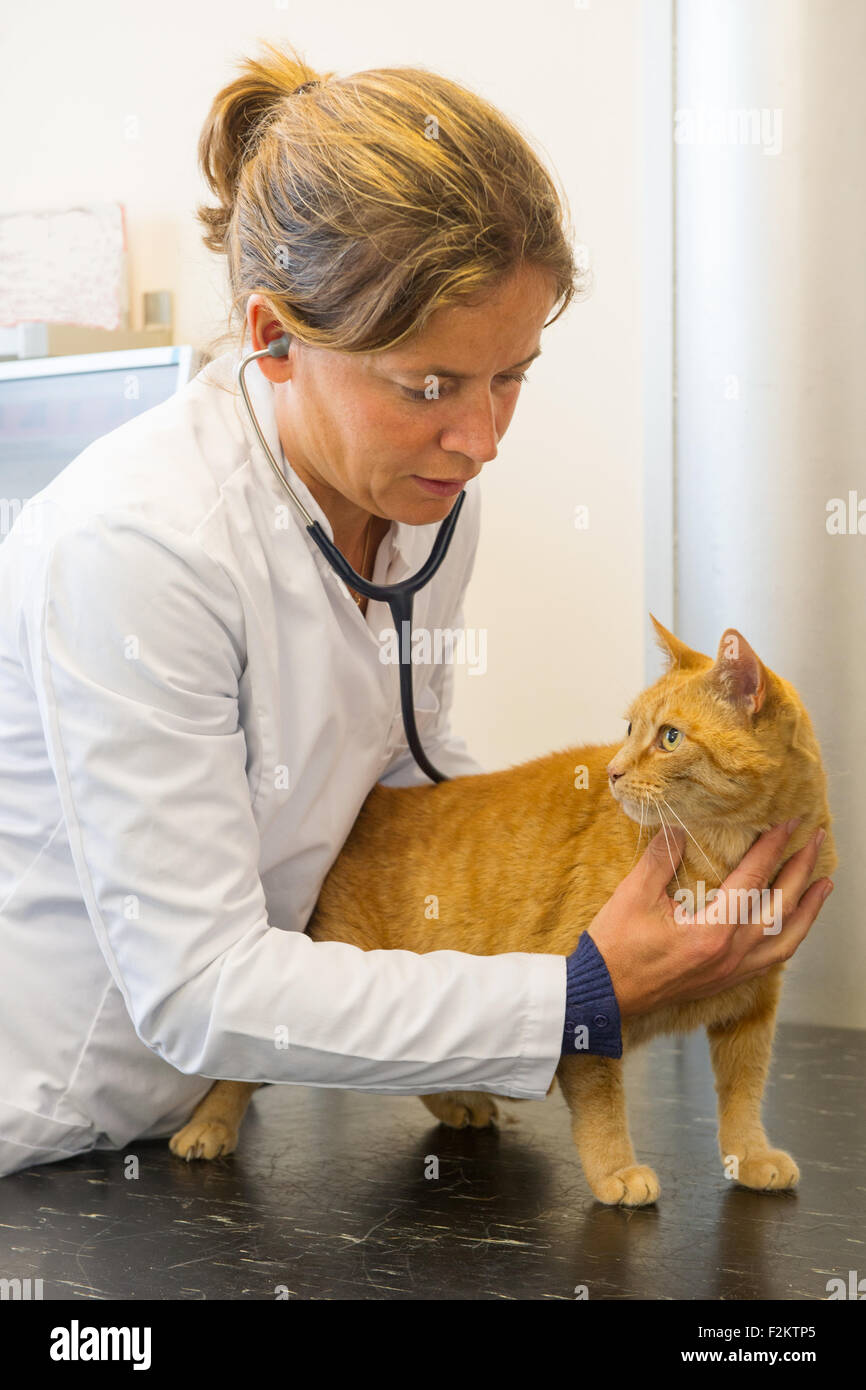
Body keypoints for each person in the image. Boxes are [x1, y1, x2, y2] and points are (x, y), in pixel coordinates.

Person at [0, 42, 832, 1178]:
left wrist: (594, 867)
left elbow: (402, 779)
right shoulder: (136, 545)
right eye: (431, 386)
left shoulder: (427, 501)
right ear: (272, 337)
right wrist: (580, 989)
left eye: (513, 374)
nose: (482, 440)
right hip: (59, 1120)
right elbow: (200, 985)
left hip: (223, 1115)